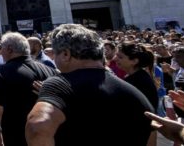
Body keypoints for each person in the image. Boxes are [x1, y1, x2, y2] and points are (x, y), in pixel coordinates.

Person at [25, 24, 156, 146]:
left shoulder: (59, 84)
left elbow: (37, 126)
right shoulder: (135, 94)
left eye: (56, 54)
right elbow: (151, 136)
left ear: (66, 54)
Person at [0, 33, 57, 146]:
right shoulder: (49, 70)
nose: (0, 52)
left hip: (18, 137)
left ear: (9, 49)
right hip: (49, 136)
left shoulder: (1, 73)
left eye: (2, 48)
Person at [115, 41, 159, 111]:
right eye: (116, 55)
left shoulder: (140, 81)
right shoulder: (134, 77)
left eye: (120, 57)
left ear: (134, 61)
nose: (115, 59)